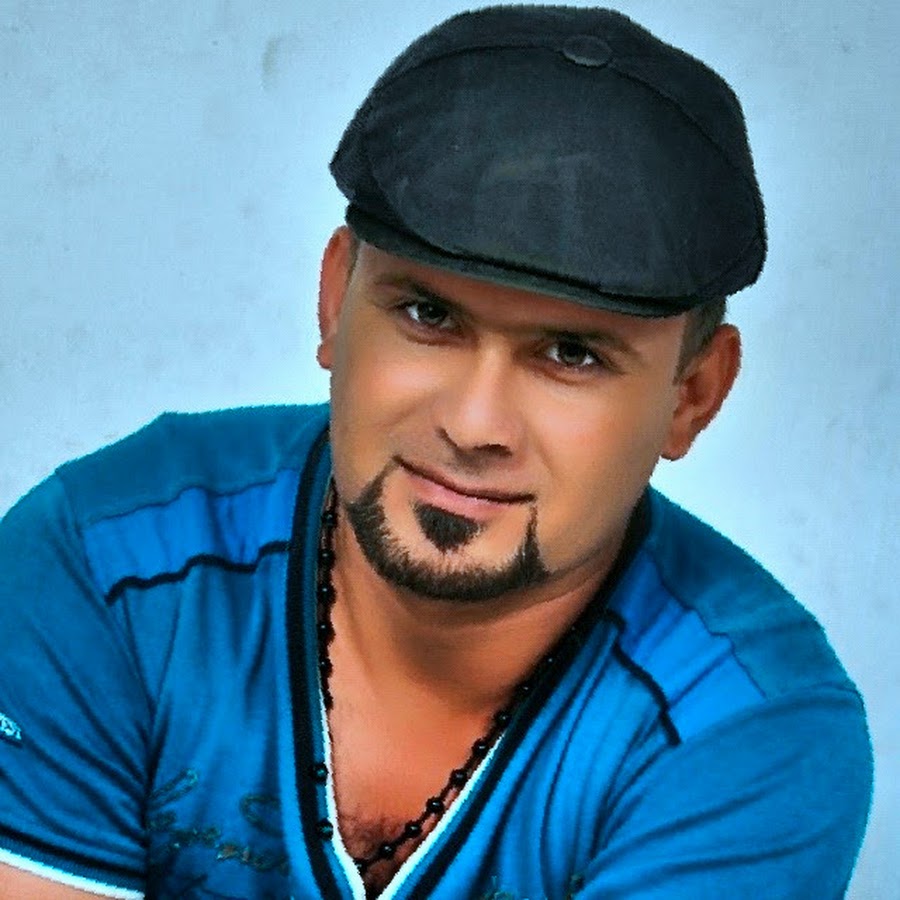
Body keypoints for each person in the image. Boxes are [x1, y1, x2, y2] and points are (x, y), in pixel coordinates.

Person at [0, 6, 872, 899]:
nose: (473, 423)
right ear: (335, 300)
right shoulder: (105, 562)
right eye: (429, 315)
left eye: (572, 354)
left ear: (692, 397)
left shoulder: (749, 727)